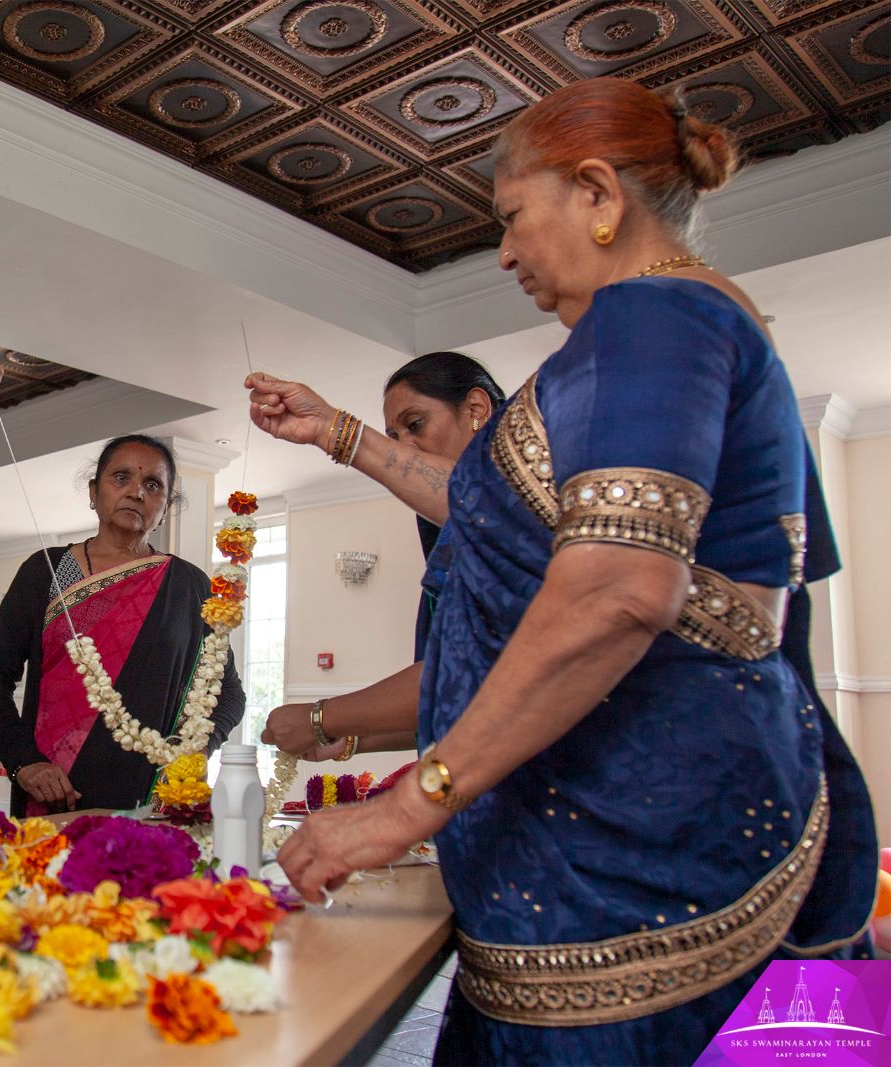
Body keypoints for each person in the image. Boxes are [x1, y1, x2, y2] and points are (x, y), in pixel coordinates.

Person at [273, 78, 878, 1064]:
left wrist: (404, 806)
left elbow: (614, 592)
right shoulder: (692, 325)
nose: (505, 251)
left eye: (512, 217)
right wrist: (337, 434)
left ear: (597, 195)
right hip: (647, 862)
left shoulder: (651, 319)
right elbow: (505, 517)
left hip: (639, 886)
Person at [0, 434, 245, 816]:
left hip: (152, 798)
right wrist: (24, 763)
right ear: (93, 492)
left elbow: (229, 693)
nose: (136, 492)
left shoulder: (189, 585)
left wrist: (195, 751)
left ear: (165, 508)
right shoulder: (47, 571)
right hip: (55, 795)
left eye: (153, 486)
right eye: (121, 478)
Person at [253, 353, 505, 761]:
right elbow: (458, 708)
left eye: (416, 424)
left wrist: (321, 718)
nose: (405, 447)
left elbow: (477, 673)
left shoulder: (530, 491)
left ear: (476, 409)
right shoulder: (461, 525)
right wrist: (349, 739)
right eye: (394, 436)